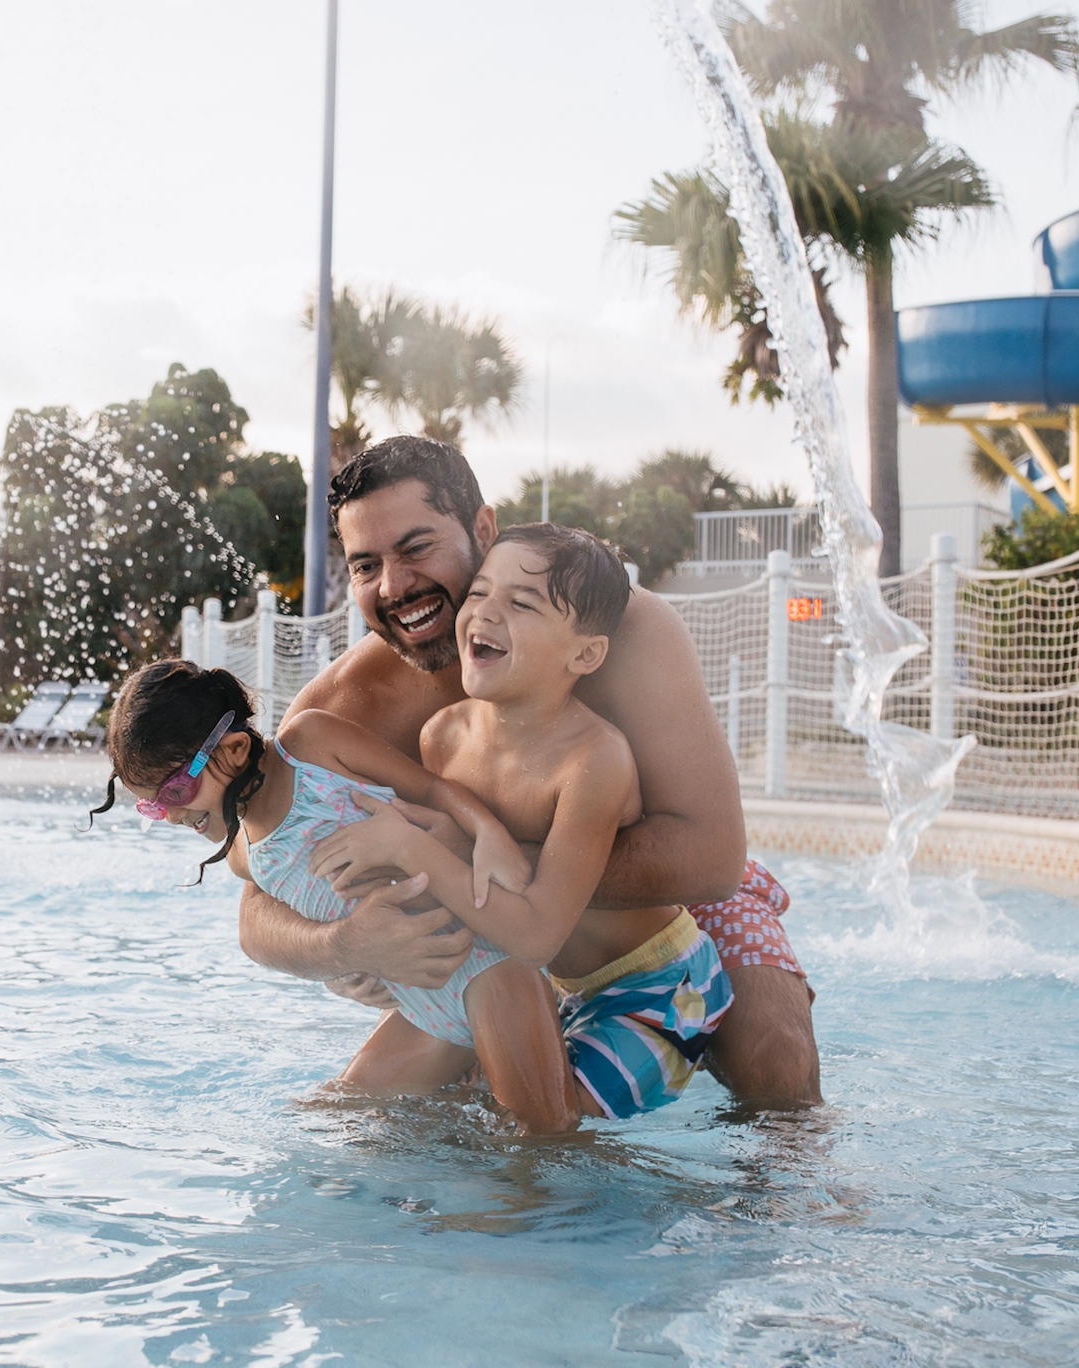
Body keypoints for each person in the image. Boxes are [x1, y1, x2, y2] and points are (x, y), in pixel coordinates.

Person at [239, 435, 821, 1107]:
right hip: (500, 934)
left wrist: (468, 858)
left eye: (417, 547)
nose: (395, 587)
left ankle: (798, 1200)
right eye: (367, 565)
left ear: (483, 529)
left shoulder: (618, 632)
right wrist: (343, 944)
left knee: (774, 1062)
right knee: (379, 1111)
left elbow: (713, 856)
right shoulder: (349, 711)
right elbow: (257, 893)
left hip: (665, 917)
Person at [306, 522, 734, 1119]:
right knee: (348, 1105)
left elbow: (538, 932)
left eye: (522, 602)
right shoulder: (443, 737)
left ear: (584, 653)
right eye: (479, 592)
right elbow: (458, 881)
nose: (485, 613)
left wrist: (409, 848)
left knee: (541, 1126)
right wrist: (372, 954)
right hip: (543, 984)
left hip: (655, 988)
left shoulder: (594, 760)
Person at [89, 657, 583, 1134]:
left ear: (235, 749)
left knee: (541, 1146)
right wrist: (341, 961)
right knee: (329, 1118)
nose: (172, 816)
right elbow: (294, 930)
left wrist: (488, 833)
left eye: (175, 792)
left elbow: (431, 789)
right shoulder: (245, 855)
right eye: (152, 806)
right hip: (423, 1009)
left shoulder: (311, 745)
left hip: (486, 969)